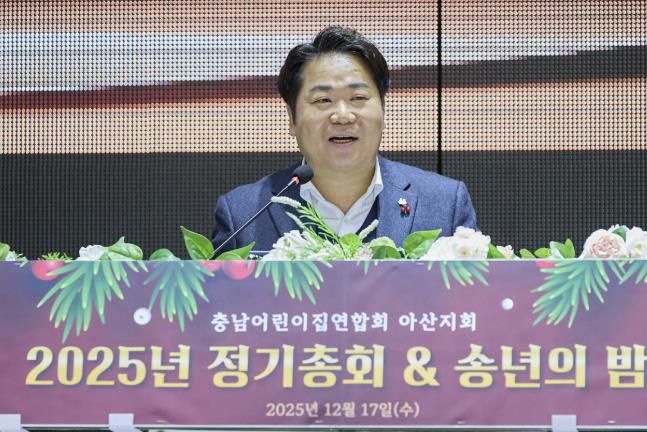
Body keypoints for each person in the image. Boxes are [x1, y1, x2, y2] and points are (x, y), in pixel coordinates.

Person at [211, 26, 477, 253]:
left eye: (358, 98)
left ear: (383, 110)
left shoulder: (444, 204)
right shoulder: (243, 214)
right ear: (292, 118)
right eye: (323, 100)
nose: (342, 116)